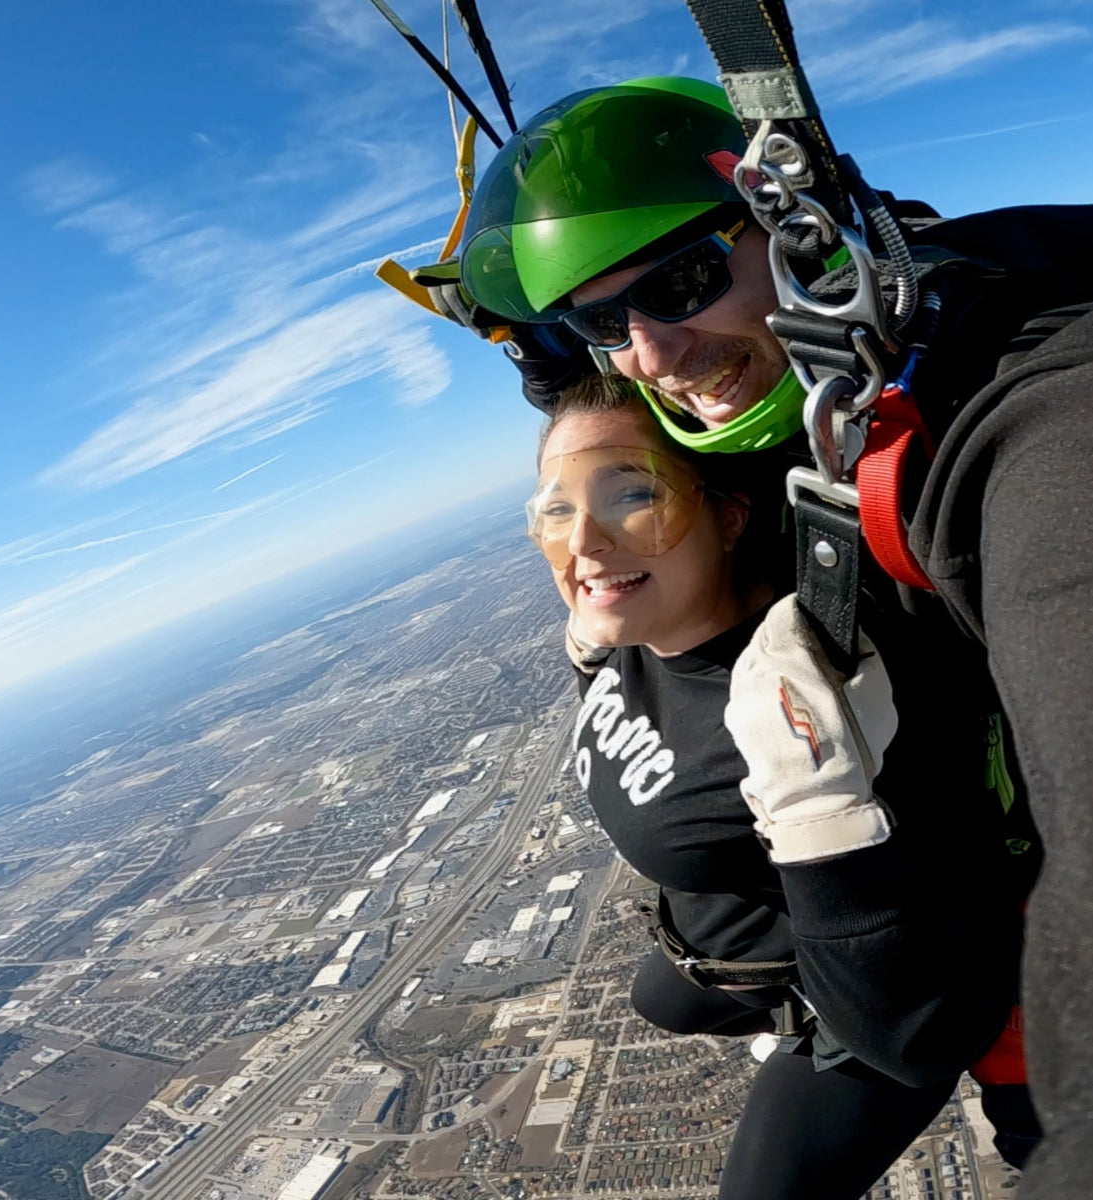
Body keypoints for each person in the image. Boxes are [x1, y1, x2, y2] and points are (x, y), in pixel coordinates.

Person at [453, 76, 1093, 1196]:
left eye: (684, 280)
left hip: (982, 939)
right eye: (608, 321)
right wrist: (514, 322)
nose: (649, 355)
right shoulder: (759, 356)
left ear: (794, 229)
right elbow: (584, 370)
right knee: (669, 994)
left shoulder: (1030, 411)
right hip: (777, 919)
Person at [530, 373, 1037, 1197]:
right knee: (665, 1001)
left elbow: (913, 1037)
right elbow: (583, 408)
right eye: (554, 508)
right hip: (742, 930)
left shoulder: (806, 701)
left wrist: (820, 818)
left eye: (630, 494)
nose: (581, 539)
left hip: (876, 980)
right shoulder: (638, 628)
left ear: (731, 514)